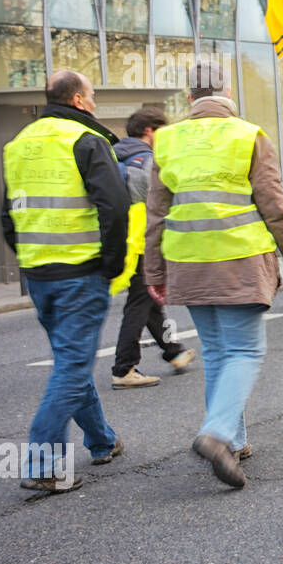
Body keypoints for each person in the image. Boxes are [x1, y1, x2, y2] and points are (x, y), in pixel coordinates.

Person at [144, 61, 283, 488]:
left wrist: (155, 271)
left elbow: (157, 215)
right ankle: (216, 434)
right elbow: (274, 204)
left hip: (187, 259)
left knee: (218, 353)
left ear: (190, 93)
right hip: (238, 259)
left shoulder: (167, 139)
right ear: (227, 89)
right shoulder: (248, 134)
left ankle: (232, 439)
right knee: (245, 352)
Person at [1, 70, 128, 492]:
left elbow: (7, 215)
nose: (93, 104)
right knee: (73, 367)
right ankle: (43, 466)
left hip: (39, 274)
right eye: (91, 97)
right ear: (77, 100)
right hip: (80, 272)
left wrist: (27, 258)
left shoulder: (19, 144)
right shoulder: (86, 140)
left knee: (71, 362)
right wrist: (111, 263)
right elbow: (115, 205)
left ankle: (101, 440)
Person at [110, 106, 195, 387]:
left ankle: (173, 352)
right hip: (142, 241)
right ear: (150, 130)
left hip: (122, 239)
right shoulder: (147, 161)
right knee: (139, 301)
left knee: (146, 299)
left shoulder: (114, 156)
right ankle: (124, 367)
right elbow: (160, 205)